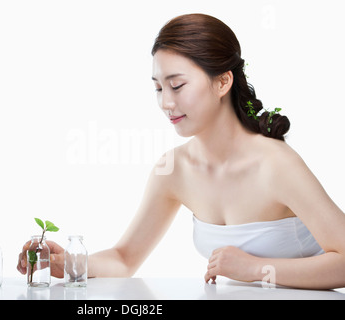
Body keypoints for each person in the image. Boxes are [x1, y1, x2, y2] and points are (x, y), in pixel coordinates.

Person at [17, 13, 345, 289]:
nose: (165, 103)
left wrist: (255, 269)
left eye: (177, 85)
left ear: (223, 82)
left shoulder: (276, 165)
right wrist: (70, 263)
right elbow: (125, 259)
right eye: (158, 88)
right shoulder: (173, 170)